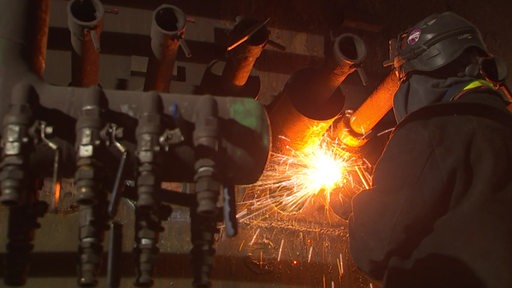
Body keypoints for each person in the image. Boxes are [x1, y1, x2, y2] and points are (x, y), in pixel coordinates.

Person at [348, 11, 512, 288]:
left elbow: (374, 249)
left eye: (403, 78)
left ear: (423, 73)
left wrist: (356, 207)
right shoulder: (501, 131)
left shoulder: (428, 130)